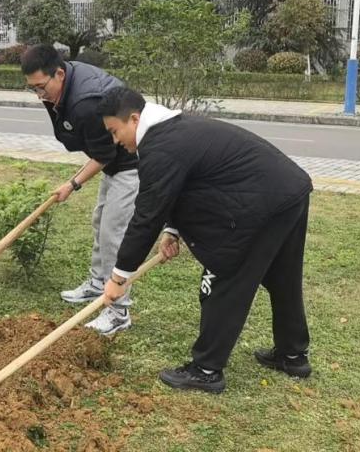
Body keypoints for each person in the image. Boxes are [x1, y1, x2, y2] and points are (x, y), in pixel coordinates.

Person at [97, 86, 313, 393]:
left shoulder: (161, 147)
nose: (115, 141)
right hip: (290, 191)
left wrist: (119, 277)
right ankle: (293, 355)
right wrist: (173, 231)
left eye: (114, 131)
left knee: (222, 275)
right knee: (283, 278)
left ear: (133, 119)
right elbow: (181, 186)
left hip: (263, 203)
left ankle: (206, 370)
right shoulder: (173, 129)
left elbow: (146, 217)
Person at [20, 44, 140, 335]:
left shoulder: (86, 102)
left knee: (113, 234)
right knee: (100, 220)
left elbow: (104, 155)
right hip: (115, 161)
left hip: (133, 162)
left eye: (41, 87)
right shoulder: (61, 87)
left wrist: (72, 184)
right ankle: (99, 283)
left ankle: (118, 311)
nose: (39, 95)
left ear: (59, 74)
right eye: (32, 88)